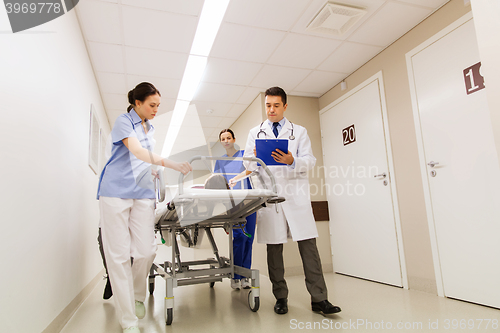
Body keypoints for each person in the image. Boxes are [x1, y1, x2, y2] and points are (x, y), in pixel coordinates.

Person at [97, 82, 192, 333]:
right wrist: (172, 164)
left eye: (159, 105)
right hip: (116, 192)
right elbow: (137, 151)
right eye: (152, 105)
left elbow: (145, 160)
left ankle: (137, 295)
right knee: (117, 257)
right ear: (137, 103)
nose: (156, 109)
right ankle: (128, 320)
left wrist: (156, 173)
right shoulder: (123, 121)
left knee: (146, 251)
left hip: (142, 193)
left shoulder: (150, 128)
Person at [242, 86, 341, 315]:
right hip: (272, 198)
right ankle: (281, 297)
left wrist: (291, 160)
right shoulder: (255, 132)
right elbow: (248, 165)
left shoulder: (299, 131)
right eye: (268, 105)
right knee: (274, 250)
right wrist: (256, 157)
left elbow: (310, 160)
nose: (271, 110)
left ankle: (319, 299)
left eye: (276, 105)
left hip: (296, 197)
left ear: (285, 106)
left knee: (309, 248)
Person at [214, 129, 257, 290]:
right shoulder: (220, 161)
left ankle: (245, 276)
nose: (226, 141)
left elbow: (252, 169)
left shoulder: (244, 154)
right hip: (232, 204)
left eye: (228, 138)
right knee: (239, 238)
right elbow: (218, 182)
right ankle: (235, 275)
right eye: (223, 138)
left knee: (249, 238)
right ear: (221, 142)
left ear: (234, 139)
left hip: (249, 201)